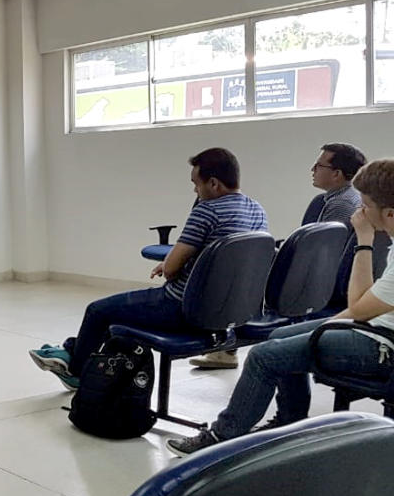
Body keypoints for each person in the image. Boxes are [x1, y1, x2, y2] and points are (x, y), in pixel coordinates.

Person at [168, 157, 394, 456]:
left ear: (389, 214)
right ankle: (290, 421)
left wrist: (364, 241)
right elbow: (361, 308)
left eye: (365, 205)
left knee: (264, 356)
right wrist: (329, 323)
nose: (360, 211)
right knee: (277, 338)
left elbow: (359, 306)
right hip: (373, 328)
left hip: (381, 349)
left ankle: (221, 439)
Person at [30, 148, 268, 391]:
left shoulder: (207, 211)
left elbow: (172, 269)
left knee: (98, 311)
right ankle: (71, 349)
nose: (195, 190)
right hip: (227, 313)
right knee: (111, 313)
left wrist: (169, 264)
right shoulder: (257, 210)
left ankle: (75, 371)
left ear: (214, 183)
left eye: (196, 184)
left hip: (181, 308)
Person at [191, 142, 366, 369]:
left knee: (243, 267)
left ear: (336, 174)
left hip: (321, 284)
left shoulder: (341, 204)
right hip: (325, 279)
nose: (312, 169)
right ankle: (227, 348)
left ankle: (225, 343)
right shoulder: (347, 197)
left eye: (318, 165)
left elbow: (321, 257)